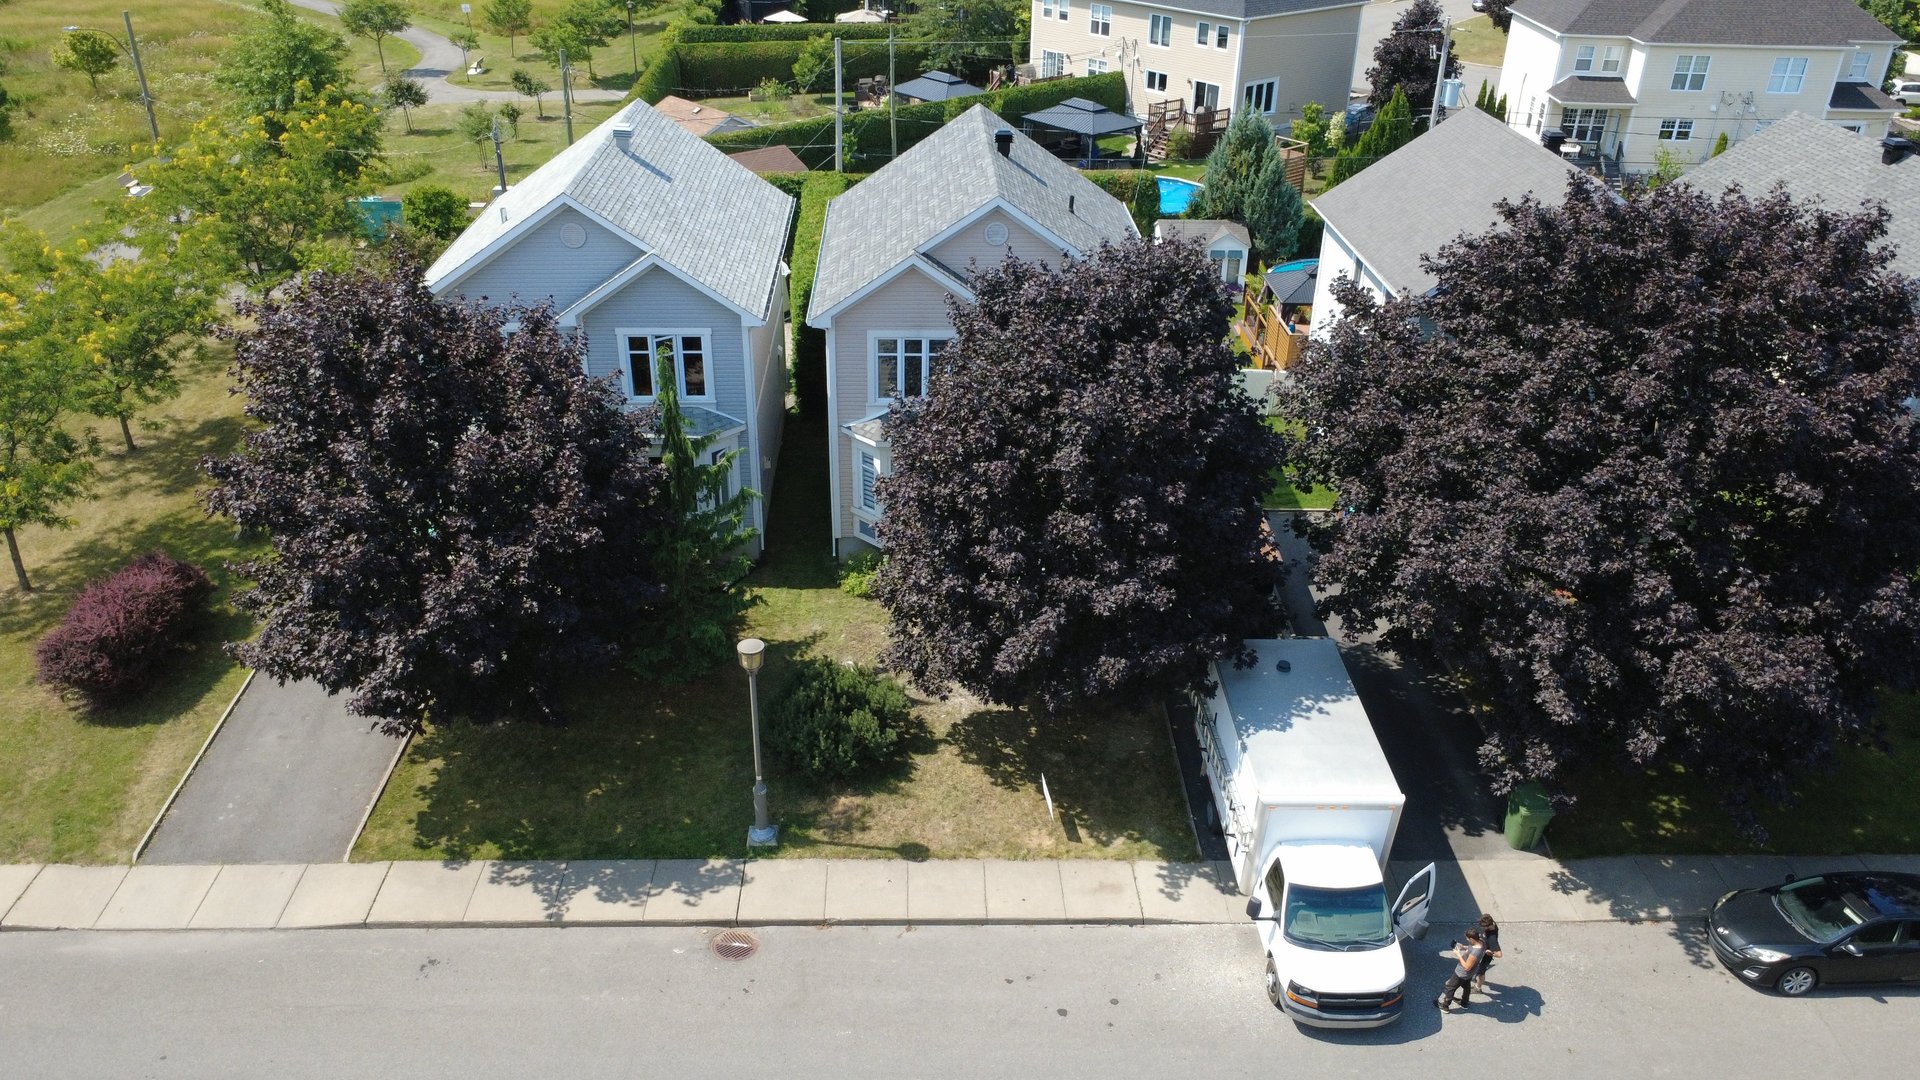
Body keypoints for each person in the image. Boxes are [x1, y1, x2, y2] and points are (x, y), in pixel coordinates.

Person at [1435, 927, 1485, 1012]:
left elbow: (1467, 967)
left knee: (1450, 987)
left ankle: (1445, 1006)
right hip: (1470, 973)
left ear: (1472, 939)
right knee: (1466, 986)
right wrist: (1463, 947)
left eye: (1467, 939)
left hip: (1462, 973)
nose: (1467, 940)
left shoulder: (1475, 953)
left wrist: (1458, 954)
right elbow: (1471, 947)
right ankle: (1464, 1003)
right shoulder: (1480, 942)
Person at [1475, 914, 1503, 993]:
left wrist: (1489, 953)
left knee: (1481, 972)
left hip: (1487, 955)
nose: (1482, 928)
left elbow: (1499, 954)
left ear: (1488, 926)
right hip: (1484, 947)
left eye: (1483, 927)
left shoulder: (1492, 938)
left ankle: (1478, 988)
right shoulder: (1492, 922)